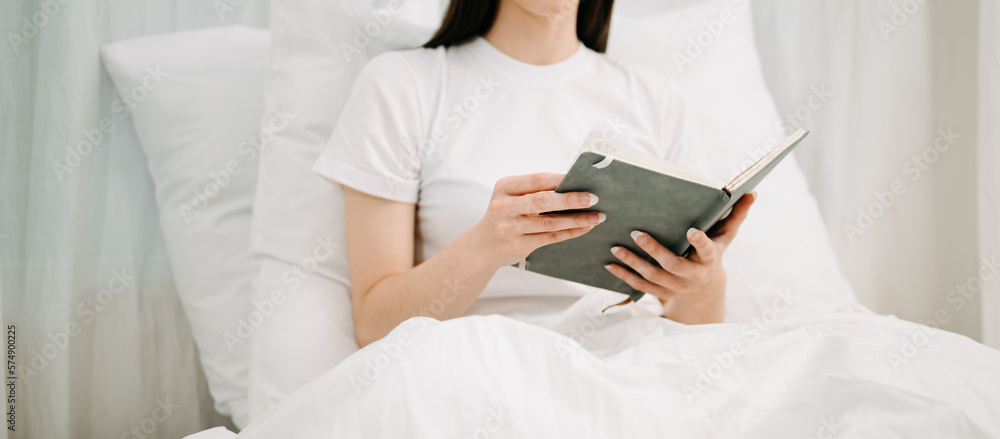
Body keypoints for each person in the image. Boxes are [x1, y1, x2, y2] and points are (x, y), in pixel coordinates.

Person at [313, 0, 756, 347]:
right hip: (473, 368)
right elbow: (374, 326)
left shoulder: (655, 99)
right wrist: (484, 247)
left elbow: (696, 330)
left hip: (632, 369)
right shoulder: (403, 84)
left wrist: (700, 282)